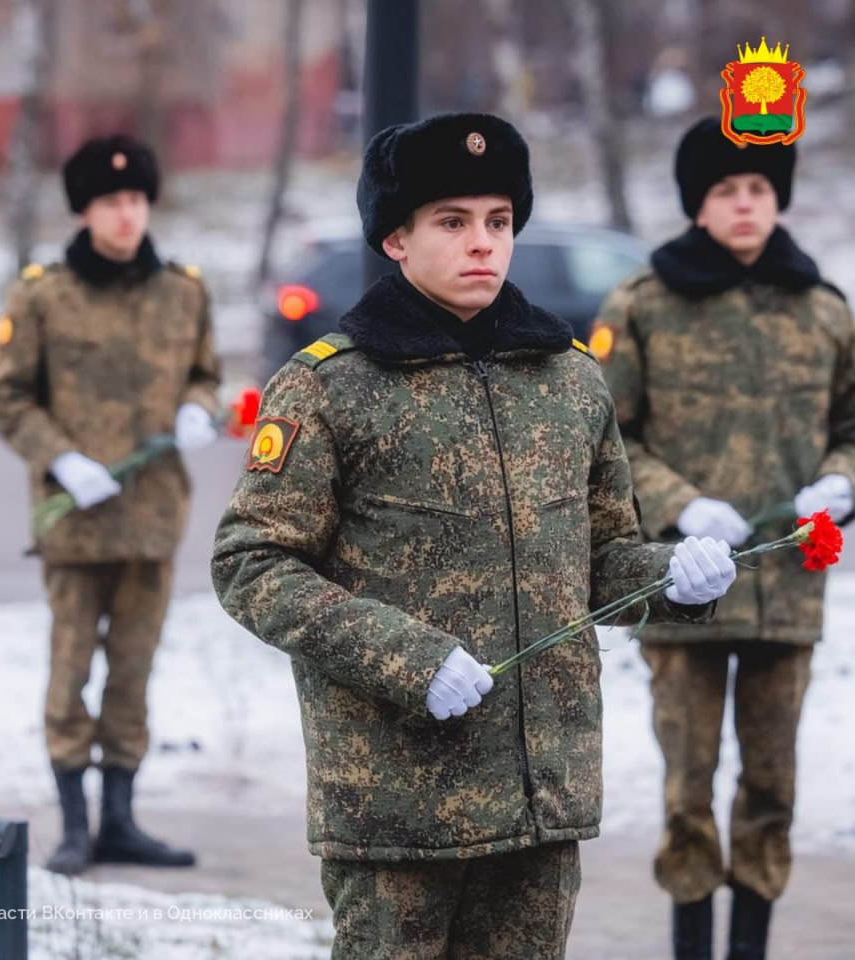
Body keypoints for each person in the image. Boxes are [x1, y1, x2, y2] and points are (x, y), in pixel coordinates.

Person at [211, 112, 738, 959]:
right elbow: (254, 566)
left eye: (498, 222)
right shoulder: (330, 389)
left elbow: (601, 563)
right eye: (452, 223)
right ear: (395, 239)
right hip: (398, 807)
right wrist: (408, 659)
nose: (483, 244)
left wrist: (675, 577)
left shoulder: (569, 380)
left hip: (539, 799)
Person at [589, 116, 855, 960]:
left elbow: (854, 423)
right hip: (681, 589)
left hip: (787, 594)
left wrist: (842, 482)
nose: (745, 205)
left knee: (772, 784)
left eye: (759, 190)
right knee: (688, 786)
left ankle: (752, 948)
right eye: (725, 191)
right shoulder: (644, 305)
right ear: (696, 205)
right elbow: (606, 435)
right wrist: (677, 503)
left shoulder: (822, 310)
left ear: (777, 200)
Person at [0, 133, 220, 875]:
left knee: (133, 671)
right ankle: (74, 825)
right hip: (76, 521)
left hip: (153, 518)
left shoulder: (183, 290)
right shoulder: (43, 295)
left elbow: (205, 373)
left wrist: (198, 407)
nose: (126, 215)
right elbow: (8, 395)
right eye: (110, 202)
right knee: (69, 671)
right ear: (84, 211)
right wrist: (62, 459)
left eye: (136, 200)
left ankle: (120, 819)